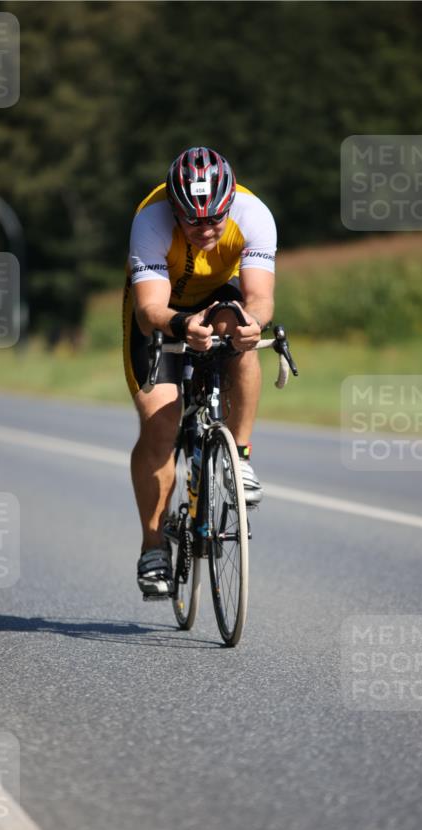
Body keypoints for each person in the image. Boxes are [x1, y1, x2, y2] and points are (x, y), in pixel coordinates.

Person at [123, 146, 277, 597]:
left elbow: (260, 298)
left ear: (229, 205)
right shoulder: (150, 220)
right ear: (174, 209)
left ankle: (240, 457)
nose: (206, 229)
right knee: (161, 422)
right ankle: (153, 546)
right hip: (161, 312)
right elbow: (150, 308)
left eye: (215, 219)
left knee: (243, 333)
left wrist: (254, 325)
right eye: (193, 220)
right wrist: (181, 324)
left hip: (218, 297)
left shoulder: (253, 215)